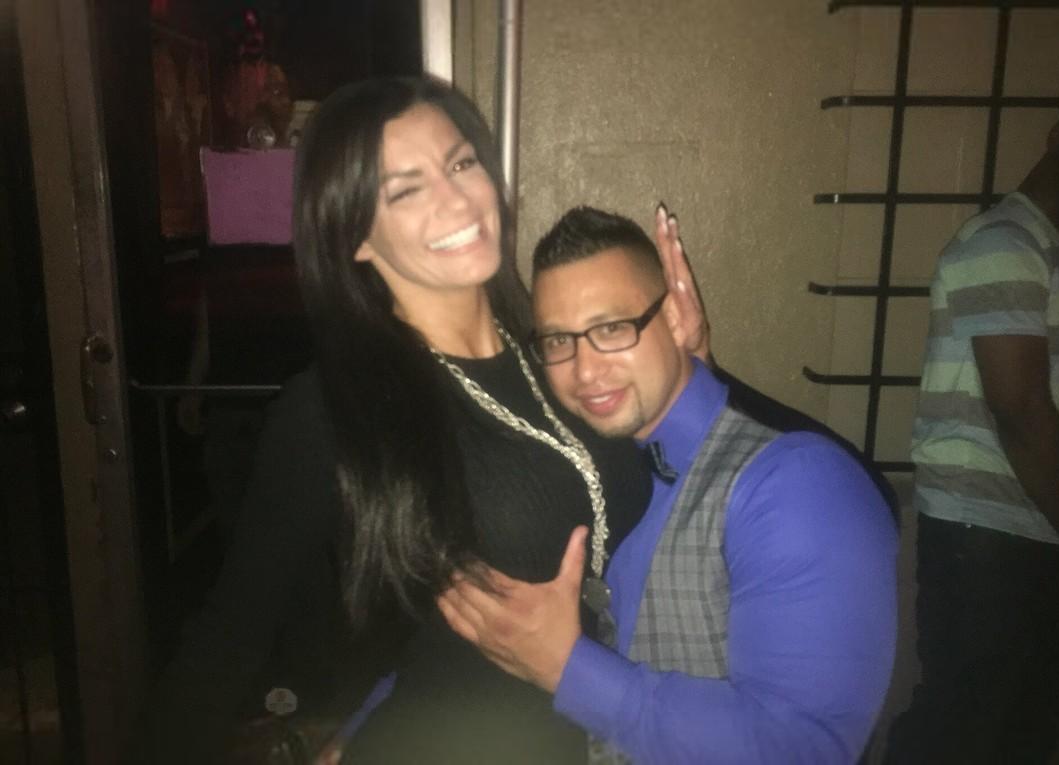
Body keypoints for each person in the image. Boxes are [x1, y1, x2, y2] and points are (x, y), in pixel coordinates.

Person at [137, 77, 717, 764]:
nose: (458, 200)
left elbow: (685, 493)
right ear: (354, 235)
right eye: (406, 190)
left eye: (461, 162)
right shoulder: (333, 408)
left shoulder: (562, 351)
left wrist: (689, 374)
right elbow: (228, 636)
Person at [439, 206, 899, 764]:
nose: (585, 371)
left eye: (612, 328)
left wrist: (567, 668)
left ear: (677, 317)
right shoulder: (580, 469)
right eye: (559, 341)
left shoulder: (794, 487)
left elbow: (803, 751)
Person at [884, 106, 1059, 764]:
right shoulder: (1004, 243)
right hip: (989, 534)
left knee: (1024, 726)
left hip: (1039, 530)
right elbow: (1019, 407)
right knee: (968, 728)